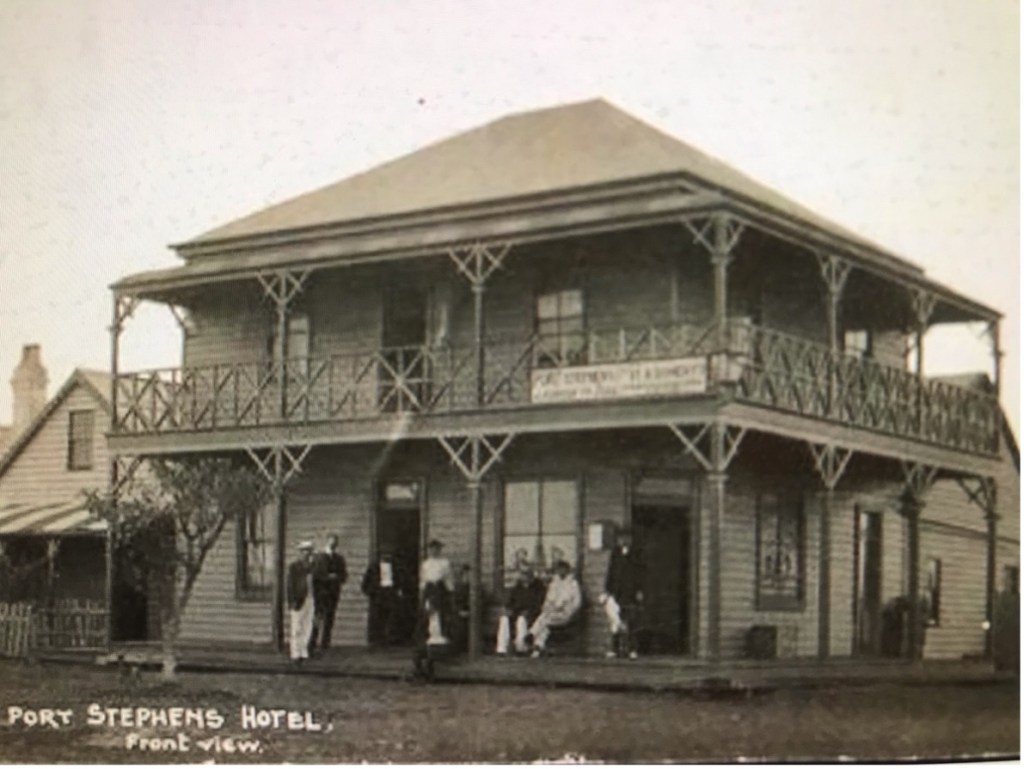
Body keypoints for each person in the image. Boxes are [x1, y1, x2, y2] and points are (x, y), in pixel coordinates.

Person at [602, 529, 643, 659]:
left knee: (631, 621)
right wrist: (607, 590)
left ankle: (632, 649)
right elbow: (611, 572)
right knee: (615, 621)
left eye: (626, 538)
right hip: (616, 592)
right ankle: (615, 649)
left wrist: (640, 590)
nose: (624, 541)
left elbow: (641, 573)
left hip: (630, 592)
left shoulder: (636, 554)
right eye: (621, 538)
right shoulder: (615, 554)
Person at [529, 560, 582, 657]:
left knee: (544, 620)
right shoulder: (553, 584)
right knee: (545, 623)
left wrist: (568, 611)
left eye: (563, 569)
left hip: (565, 614)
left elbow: (577, 603)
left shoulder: (573, 584)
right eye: (559, 569)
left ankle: (532, 633)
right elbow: (547, 601)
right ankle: (538, 647)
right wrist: (547, 608)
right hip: (552, 614)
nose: (561, 571)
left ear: (567, 570)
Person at [310, 534, 348, 656]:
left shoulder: (339, 559)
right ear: (326, 542)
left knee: (329, 619)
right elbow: (315, 576)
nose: (333, 544)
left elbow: (344, 576)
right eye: (331, 542)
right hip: (321, 594)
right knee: (317, 618)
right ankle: (312, 643)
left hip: (333, 593)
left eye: (335, 542)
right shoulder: (319, 558)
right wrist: (327, 577)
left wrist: (338, 577)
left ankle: (325, 644)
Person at [496, 564, 545, 655]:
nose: (524, 576)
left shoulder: (539, 587)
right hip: (516, 612)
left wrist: (529, 611)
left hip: (532, 614)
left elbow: (539, 604)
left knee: (521, 620)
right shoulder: (518, 587)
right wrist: (508, 609)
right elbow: (510, 602)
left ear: (531, 574)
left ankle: (521, 648)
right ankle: (501, 649)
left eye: (526, 573)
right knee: (504, 619)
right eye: (523, 573)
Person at [361, 551, 407, 645]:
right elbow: (365, 584)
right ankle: (377, 641)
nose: (386, 557)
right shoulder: (373, 568)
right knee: (377, 618)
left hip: (391, 594)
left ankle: (390, 640)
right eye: (384, 555)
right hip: (378, 595)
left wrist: (398, 590)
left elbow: (401, 581)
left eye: (388, 555)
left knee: (392, 617)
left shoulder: (396, 568)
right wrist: (372, 593)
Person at [419, 539, 454, 645]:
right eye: (431, 549)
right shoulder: (425, 564)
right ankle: (429, 637)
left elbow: (448, 578)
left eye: (436, 549)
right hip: (429, 589)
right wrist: (422, 592)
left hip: (440, 588)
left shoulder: (445, 563)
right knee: (429, 612)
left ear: (439, 550)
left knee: (441, 612)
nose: (434, 551)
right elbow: (423, 579)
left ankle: (441, 636)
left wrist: (451, 591)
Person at [286, 541, 316, 664]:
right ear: (300, 552)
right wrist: (291, 600)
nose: (306, 553)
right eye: (304, 551)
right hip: (298, 599)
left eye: (308, 551)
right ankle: (295, 653)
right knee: (296, 627)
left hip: (310, 598)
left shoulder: (313, 567)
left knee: (307, 626)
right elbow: (290, 585)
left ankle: (303, 651)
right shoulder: (294, 567)